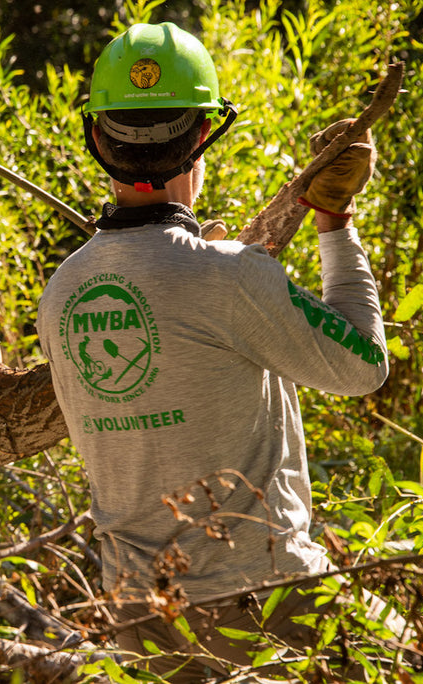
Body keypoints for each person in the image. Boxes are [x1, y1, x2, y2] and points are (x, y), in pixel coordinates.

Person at [36, 22, 390, 681]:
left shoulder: (61, 293)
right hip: (266, 602)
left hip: (139, 623)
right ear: (203, 135)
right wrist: (335, 221)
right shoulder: (229, 276)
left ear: (95, 138)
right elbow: (364, 366)